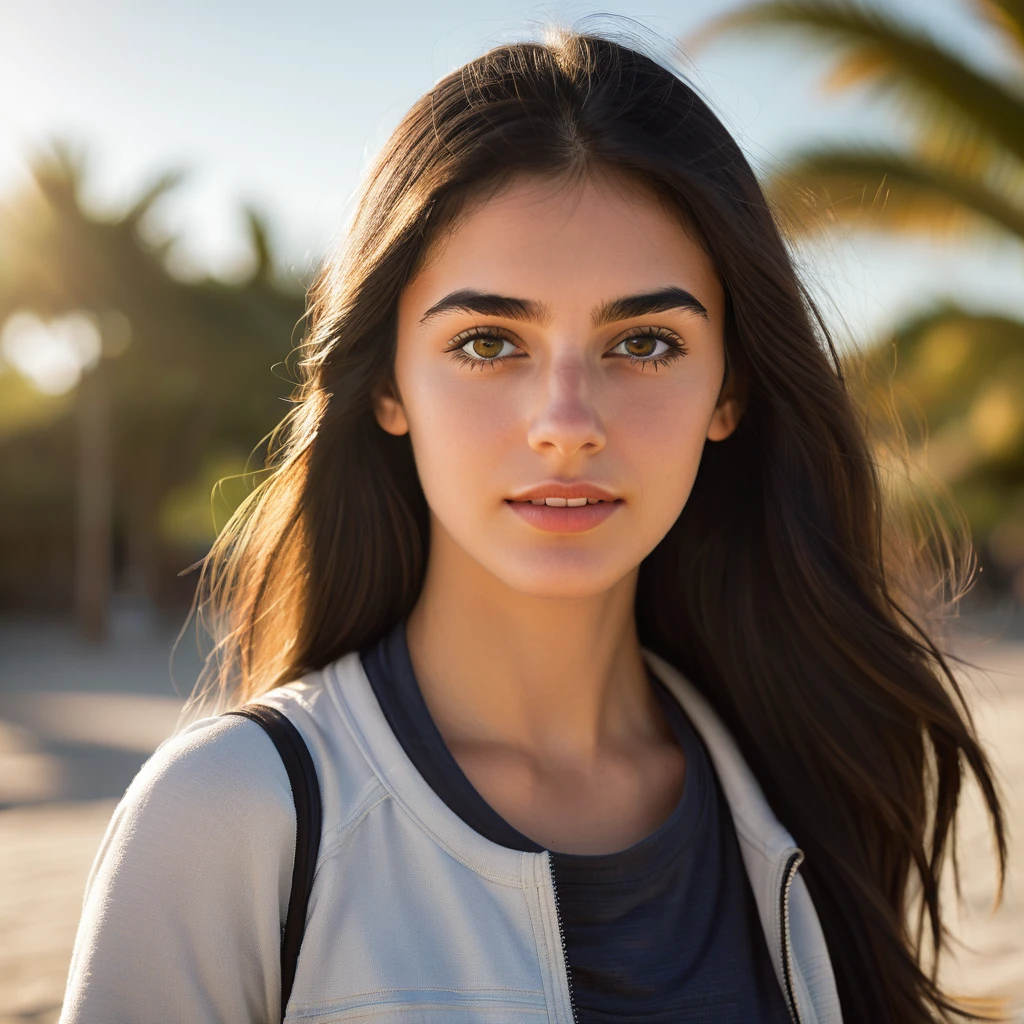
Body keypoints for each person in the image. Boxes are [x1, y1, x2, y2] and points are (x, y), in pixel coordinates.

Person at [60, 27, 1005, 1024]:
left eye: (643, 341)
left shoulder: (808, 782)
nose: (566, 424)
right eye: (486, 342)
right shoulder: (230, 817)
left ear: (729, 388)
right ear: (387, 382)